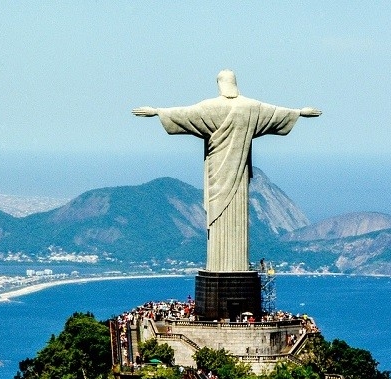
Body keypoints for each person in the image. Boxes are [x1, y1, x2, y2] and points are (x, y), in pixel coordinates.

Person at [133, 70, 320, 272]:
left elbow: (183, 114)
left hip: (217, 174)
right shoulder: (251, 107)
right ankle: (235, 266)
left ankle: (220, 266)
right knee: (232, 217)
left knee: (217, 218)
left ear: (219, 84)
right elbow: (276, 113)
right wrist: (299, 112)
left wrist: (157, 111)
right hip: (239, 175)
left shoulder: (209, 108)